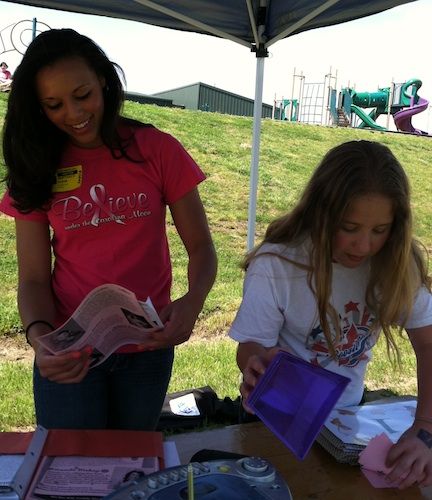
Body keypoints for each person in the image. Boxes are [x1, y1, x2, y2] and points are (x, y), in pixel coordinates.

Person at [0, 29, 217, 431]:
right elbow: (32, 278)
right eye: (53, 105)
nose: (73, 114)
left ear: (103, 78)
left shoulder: (156, 149)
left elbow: (202, 247)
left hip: (147, 347)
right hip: (71, 352)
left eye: (82, 95)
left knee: (131, 473)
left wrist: (193, 301)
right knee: (68, 474)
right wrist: (40, 339)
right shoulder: (36, 165)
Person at [229, 140, 432, 489]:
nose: (364, 246)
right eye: (349, 228)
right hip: (277, 421)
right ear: (320, 213)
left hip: (347, 423)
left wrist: (425, 430)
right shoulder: (278, 264)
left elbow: (428, 344)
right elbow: (250, 346)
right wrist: (258, 363)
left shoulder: (396, 264)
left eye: (379, 230)